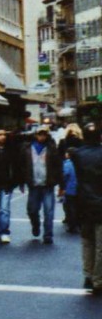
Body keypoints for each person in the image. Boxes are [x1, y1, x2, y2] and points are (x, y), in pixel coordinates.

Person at [72, 124, 102, 295]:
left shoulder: (77, 154)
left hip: (83, 202)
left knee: (87, 242)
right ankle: (98, 279)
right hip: (100, 203)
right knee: (100, 245)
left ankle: (88, 275)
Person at [21, 127, 64, 244]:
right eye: (40, 134)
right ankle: (36, 224)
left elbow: (58, 167)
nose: (42, 137)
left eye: (44, 134)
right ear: (35, 135)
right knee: (32, 210)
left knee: (49, 211)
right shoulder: (27, 148)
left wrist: (61, 184)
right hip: (33, 185)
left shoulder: (51, 148)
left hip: (48, 185)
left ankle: (48, 234)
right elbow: (21, 166)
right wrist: (21, 181)